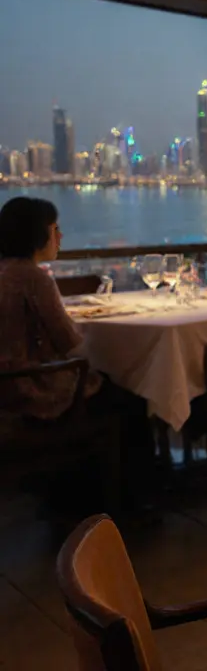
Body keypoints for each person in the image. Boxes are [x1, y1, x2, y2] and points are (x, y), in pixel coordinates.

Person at [0, 197, 153, 509]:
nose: (60, 236)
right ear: (36, 234)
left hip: (8, 390)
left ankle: (76, 489)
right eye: (55, 229)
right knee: (133, 400)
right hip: (34, 392)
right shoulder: (33, 278)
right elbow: (71, 342)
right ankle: (131, 502)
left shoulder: (5, 272)